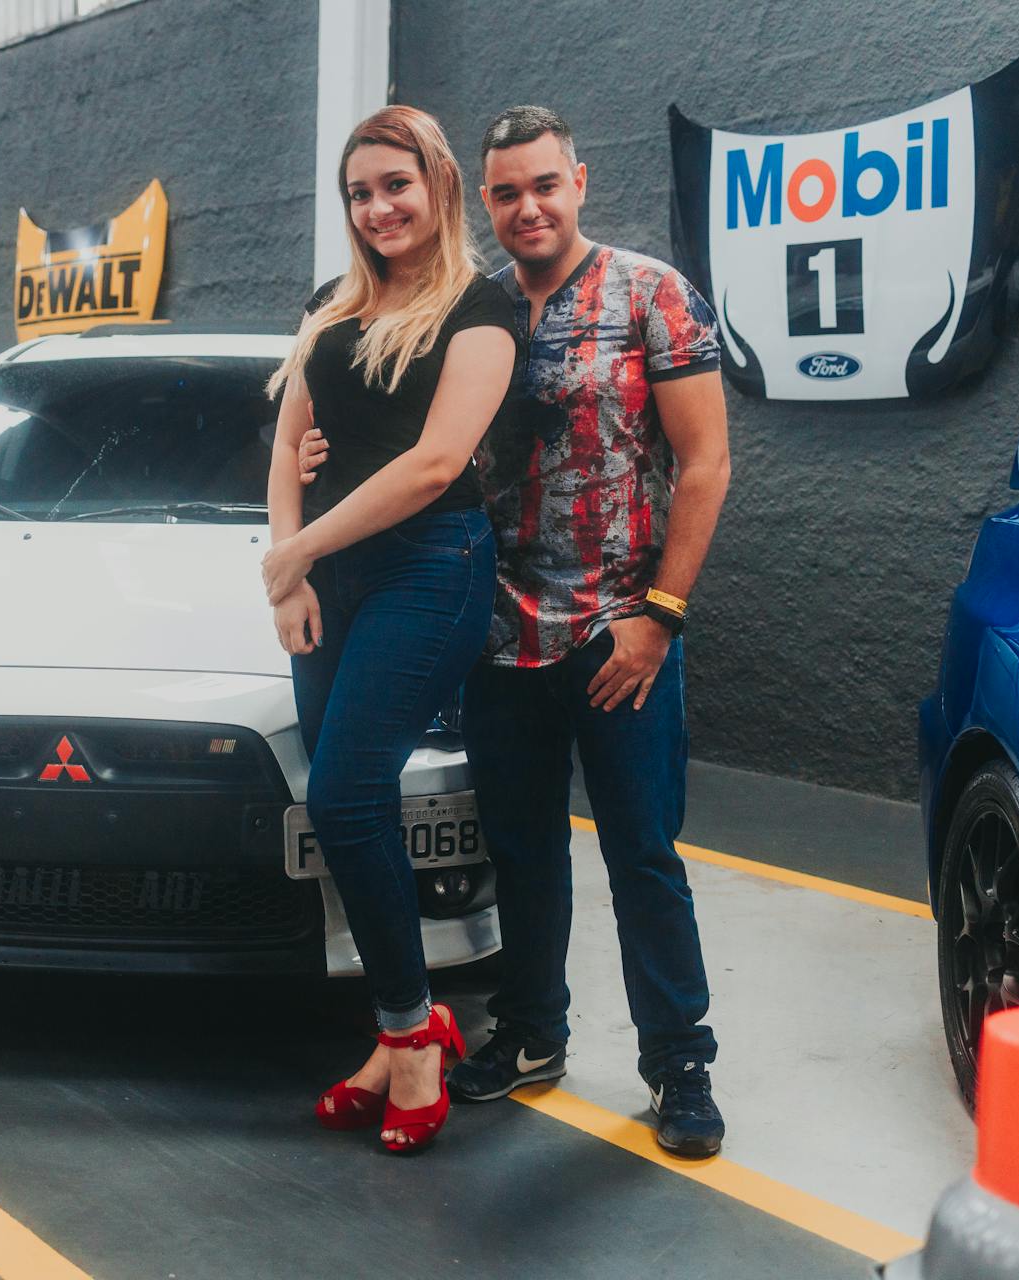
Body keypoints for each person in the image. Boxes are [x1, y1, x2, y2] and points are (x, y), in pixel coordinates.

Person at [299, 106, 733, 1157]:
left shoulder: (650, 293)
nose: (528, 206)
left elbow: (706, 462)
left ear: (579, 180)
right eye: (507, 191)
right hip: (494, 625)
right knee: (522, 849)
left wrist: (660, 617)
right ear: (478, 199)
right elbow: (379, 432)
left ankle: (679, 1061)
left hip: (617, 629)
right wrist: (318, 463)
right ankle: (532, 1033)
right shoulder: (458, 305)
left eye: (545, 183)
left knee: (642, 852)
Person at [263, 104, 516, 1153]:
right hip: (333, 575)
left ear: (440, 185)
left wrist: (298, 547)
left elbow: (432, 466)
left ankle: (414, 1039)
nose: (378, 208)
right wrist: (291, 567)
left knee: (346, 791)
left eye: (395, 185)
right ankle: (401, 1025)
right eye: (361, 192)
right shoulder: (333, 304)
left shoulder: (482, 309)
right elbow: (289, 440)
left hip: (432, 568)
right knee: (346, 806)